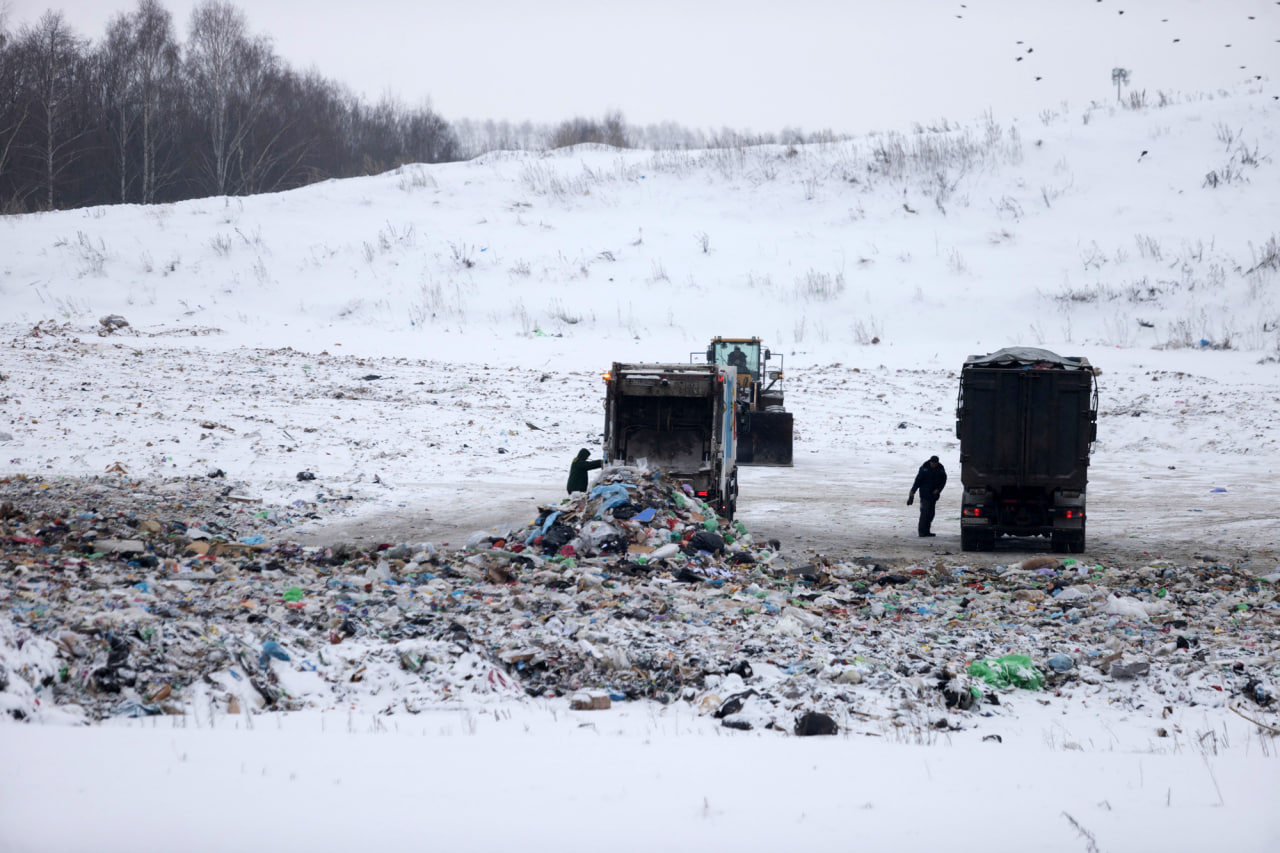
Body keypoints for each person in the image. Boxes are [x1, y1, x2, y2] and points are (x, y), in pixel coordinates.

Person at [908, 455, 947, 537]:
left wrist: (938, 489)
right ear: (930, 462)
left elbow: (943, 480)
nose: (933, 465)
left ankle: (927, 531)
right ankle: (922, 532)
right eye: (932, 463)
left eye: (935, 463)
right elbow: (918, 480)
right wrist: (912, 491)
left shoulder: (940, 469)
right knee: (924, 513)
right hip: (924, 494)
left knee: (931, 514)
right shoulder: (924, 468)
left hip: (934, 495)